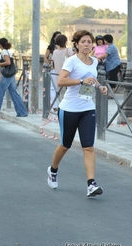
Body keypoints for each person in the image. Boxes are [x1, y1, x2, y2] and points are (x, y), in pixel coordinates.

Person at [47, 30, 107, 197]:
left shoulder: (94, 62)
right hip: (69, 109)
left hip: (87, 108)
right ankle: (53, 170)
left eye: (89, 42)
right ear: (77, 44)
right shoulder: (71, 61)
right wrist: (80, 81)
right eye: (83, 42)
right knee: (65, 145)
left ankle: (91, 184)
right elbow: (61, 81)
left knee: (88, 147)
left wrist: (99, 86)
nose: (87, 44)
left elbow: (91, 78)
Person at [0, 38, 28, 118]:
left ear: (1, 44)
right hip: (10, 75)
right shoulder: (7, 52)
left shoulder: (4, 52)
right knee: (14, 94)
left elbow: (8, 62)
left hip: (6, 76)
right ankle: (22, 112)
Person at [51, 34, 75, 108]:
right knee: (70, 93)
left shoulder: (55, 52)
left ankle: (63, 107)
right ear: (65, 42)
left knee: (62, 94)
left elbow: (53, 63)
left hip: (59, 76)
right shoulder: (68, 50)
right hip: (68, 76)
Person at [44, 31, 61, 110]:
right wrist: (50, 65)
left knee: (61, 88)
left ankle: (61, 105)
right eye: (57, 36)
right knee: (53, 87)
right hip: (54, 69)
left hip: (61, 69)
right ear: (54, 38)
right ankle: (54, 106)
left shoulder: (63, 46)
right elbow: (45, 57)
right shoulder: (51, 47)